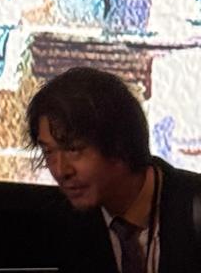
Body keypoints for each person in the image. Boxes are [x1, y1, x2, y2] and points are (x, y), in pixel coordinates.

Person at [27, 65, 201, 273]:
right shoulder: (61, 227)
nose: (60, 170)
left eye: (74, 149)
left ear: (119, 144)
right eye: (48, 151)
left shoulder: (192, 205)